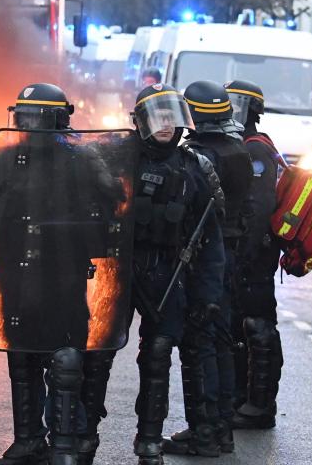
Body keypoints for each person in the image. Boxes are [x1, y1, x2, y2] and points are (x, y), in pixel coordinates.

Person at [0, 83, 126, 465]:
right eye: (23, 117)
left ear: (58, 119)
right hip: (14, 275)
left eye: (36, 117)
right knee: (21, 355)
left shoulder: (85, 161)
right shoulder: (0, 161)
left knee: (67, 358)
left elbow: (111, 209)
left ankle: (66, 442)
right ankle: (28, 440)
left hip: (64, 274)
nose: (28, 125)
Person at [83, 84, 226, 465]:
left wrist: (208, 295)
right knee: (98, 354)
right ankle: (84, 436)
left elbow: (210, 241)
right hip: (118, 270)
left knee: (159, 353)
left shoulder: (194, 168)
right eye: (158, 117)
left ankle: (148, 438)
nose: (166, 125)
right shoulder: (114, 159)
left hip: (166, 271)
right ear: (142, 121)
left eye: (171, 117)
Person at [162, 81, 251, 456]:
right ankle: (221, 429)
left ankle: (203, 434)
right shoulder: (240, 152)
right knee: (221, 342)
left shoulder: (195, 159)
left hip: (201, 260)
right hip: (228, 258)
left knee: (198, 345)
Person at [224, 81, 285, 430]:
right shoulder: (246, 146)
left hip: (255, 255)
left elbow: (259, 207)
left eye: (236, 103)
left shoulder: (255, 149)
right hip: (251, 255)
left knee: (258, 329)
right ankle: (242, 399)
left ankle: (259, 406)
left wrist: (245, 254)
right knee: (240, 329)